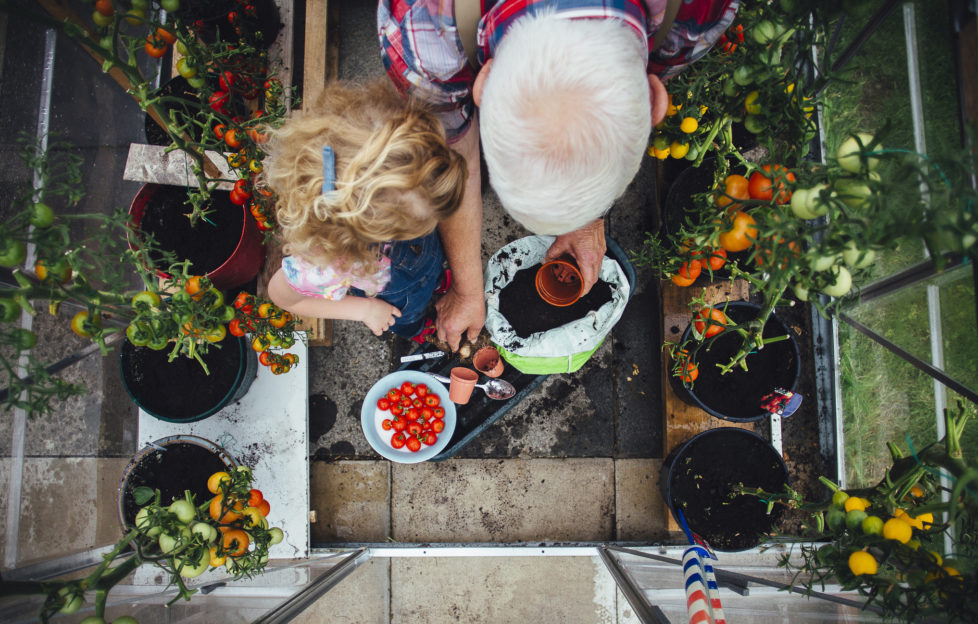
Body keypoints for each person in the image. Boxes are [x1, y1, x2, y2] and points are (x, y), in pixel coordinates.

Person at [378, 0, 738, 350]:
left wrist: (586, 219)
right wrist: (469, 289)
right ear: (655, 101)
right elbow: (455, 160)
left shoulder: (699, 12)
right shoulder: (423, 34)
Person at [263, 80, 467, 339]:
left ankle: (435, 280)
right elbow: (283, 298)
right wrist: (365, 309)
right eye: (423, 220)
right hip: (395, 300)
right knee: (407, 318)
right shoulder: (324, 264)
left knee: (431, 266)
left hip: (422, 261)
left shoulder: (400, 176)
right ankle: (416, 326)